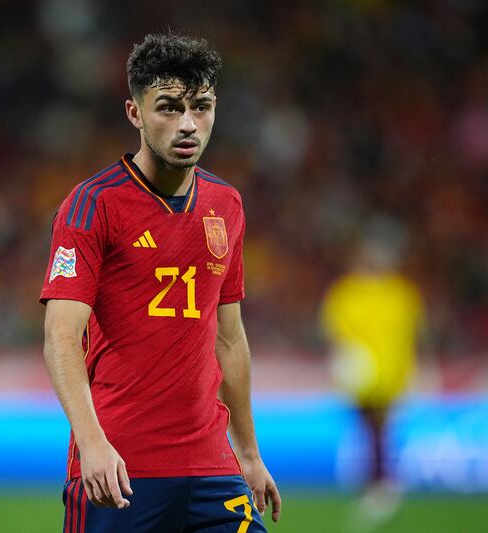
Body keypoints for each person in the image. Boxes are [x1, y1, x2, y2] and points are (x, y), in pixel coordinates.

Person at [40, 33, 280, 533]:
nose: (188, 124)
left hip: (213, 468)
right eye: (168, 108)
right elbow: (60, 337)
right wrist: (92, 445)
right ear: (135, 113)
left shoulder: (226, 205)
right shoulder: (93, 205)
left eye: (202, 107)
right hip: (122, 467)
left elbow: (229, 338)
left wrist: (249, 455)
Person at [320, 217, 424, 527]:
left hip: (388, 377)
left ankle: (381, 485)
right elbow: (334, 332)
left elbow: (411, 336)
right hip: (362, 378)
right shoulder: (349, 291)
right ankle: (379, 482)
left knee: (378, 430)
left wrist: (414, 370)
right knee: (370, 430)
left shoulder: (400, 293)